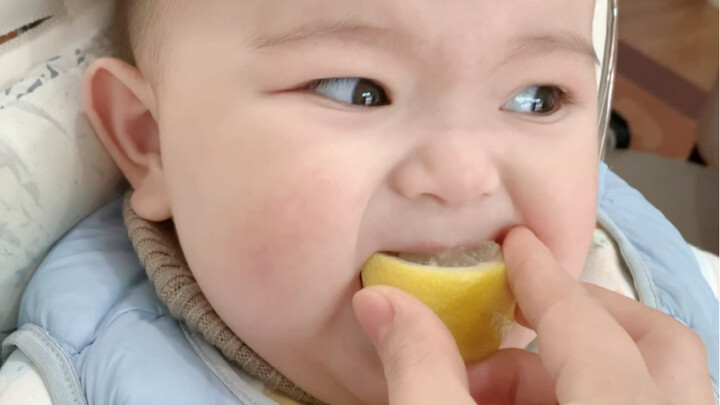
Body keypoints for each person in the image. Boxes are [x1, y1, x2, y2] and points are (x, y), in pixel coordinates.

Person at [2, 1, 716, 404]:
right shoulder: (76, 383)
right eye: (357, 90)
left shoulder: (645, 318)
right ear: (150, 137)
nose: (463, 176)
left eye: (537, 99)